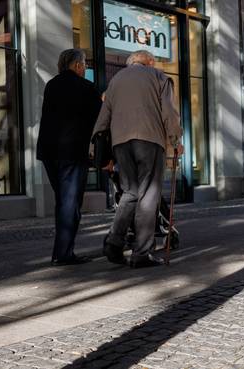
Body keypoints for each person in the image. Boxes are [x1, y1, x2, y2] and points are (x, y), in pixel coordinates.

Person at [93, 50, 183, 268]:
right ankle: (141, 253)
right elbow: (169, 112)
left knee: (130, 192)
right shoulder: (158, 77)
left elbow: (103, 117)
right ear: (149, 61)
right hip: (149, 140)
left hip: (121, 143)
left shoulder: (115, 81)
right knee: (149, 195)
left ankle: (114, 242)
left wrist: (97, 149)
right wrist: (175, 140)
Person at [36, 49, 102, 266]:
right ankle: (63, 254)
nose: (85, 69)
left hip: (49, 152)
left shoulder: (51, 85)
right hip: (72, 153)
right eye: (84, 65)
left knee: (63, 202)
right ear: (77, 65)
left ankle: (61, 252)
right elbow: (100, 120)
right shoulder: (86, 88)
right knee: (69, 203)